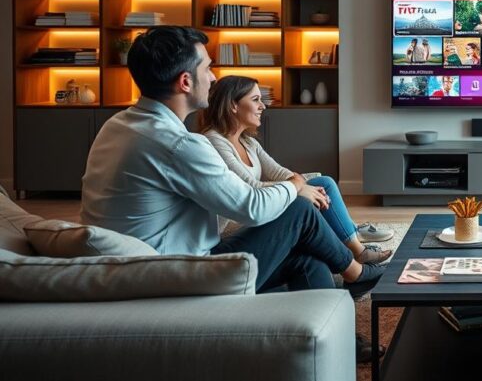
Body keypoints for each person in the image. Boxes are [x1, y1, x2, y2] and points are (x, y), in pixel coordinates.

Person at [80, 26, 385, 362]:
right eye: (207, 68)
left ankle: (340, 343)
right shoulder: (178, 144)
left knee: (307, 258)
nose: (213, 78)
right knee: (298, 211)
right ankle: (355, 273)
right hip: (178, 279)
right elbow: (250, 207)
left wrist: (292, 186)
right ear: (185, 82)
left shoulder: (118, 125)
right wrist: (296, 186)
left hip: (143, 273)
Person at [198, 75, 393, 265]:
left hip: (258, 209)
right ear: (233, 105)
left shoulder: (248, 142)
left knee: (323, 183)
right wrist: (297, 189)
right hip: (236, 224)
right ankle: (353, 244)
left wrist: (299, 184)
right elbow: (250, 187)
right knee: (305, 198)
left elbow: (280, 172)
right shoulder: (215, 141)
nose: (263, 106)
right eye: (256, 100)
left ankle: (353, 243)